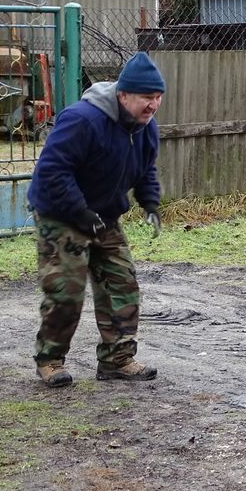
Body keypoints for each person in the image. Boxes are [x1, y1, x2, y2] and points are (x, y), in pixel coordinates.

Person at [26, 51, 165, 388]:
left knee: (122, 285)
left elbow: (145, 166)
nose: (153, 105)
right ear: (123, 95)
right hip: (62, 215)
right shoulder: (83, 119)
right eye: (147, 97)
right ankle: (50, 360)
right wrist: (80, 213)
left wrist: (150, 201)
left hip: (104, 216)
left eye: (158, 98)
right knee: (66, 290)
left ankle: (117, 360)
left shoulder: (145, 127)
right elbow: (53, 171)